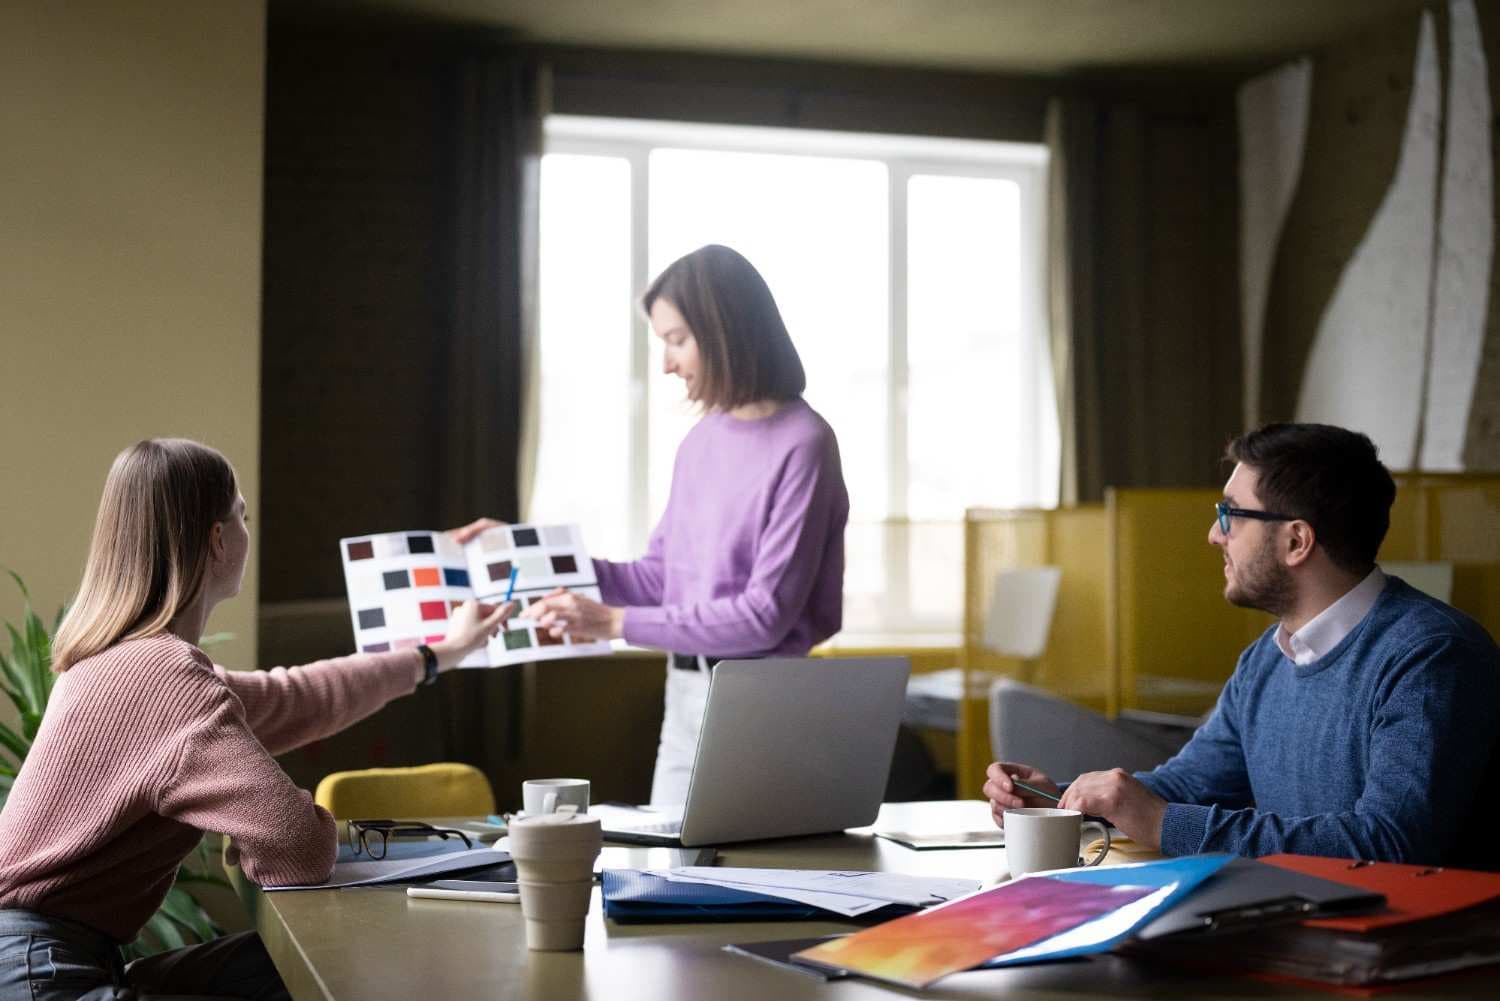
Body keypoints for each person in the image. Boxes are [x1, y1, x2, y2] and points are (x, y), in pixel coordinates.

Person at [0, 438, 512, 1000]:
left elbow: (300, 697)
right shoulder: (161, 674)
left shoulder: (123, 662)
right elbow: (296, 846)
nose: (247, 529)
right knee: (338, 962)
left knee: (330, 959)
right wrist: (272, 829)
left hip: (40, 963)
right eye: (242, 515)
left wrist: (437, 655)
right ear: (219, 540)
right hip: (41, 978)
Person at [985, 422, 1500, 868]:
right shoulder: (1265, 659)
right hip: (1298, 930)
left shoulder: (1431, 656)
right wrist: (1059, 799)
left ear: (1296, 541)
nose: (1214, 534)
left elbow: (1389, 845)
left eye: (1230, 514)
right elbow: (1191, 785)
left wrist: (1164, 822)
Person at [455, 244, 849, 804]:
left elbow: (764, 618)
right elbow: (660, 579)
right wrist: (523, 554)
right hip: (685, 690)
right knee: (672, 871)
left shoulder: (804, 443)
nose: (666, 362)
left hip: (763, 702)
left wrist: (615, 623)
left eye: (676, 340)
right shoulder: (700, 442)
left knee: (750, 881)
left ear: (724, 332)